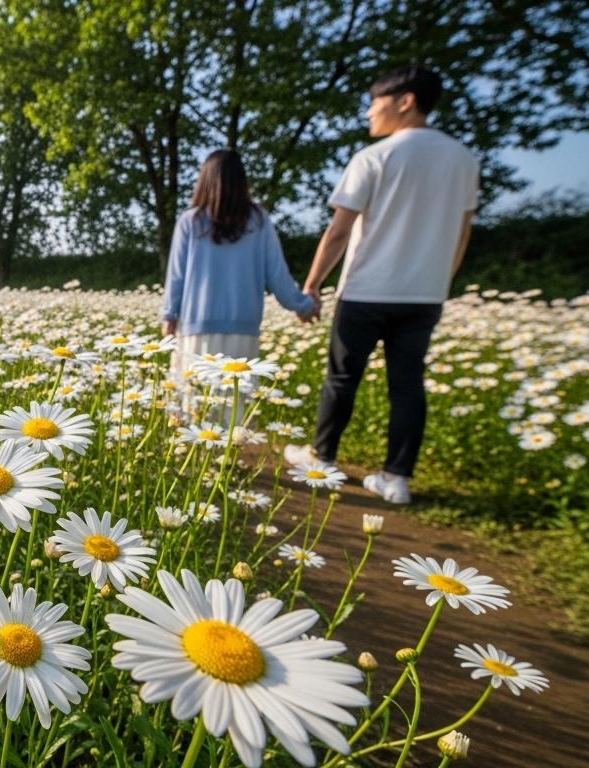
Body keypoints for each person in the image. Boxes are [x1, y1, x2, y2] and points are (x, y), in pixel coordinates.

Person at [285, 65, 479, 504]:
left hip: (366, 290)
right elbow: (463, 233)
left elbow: (338, 231)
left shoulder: (374, 158)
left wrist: (312, 284)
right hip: (425, 294)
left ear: (404, 101)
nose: (369, 113)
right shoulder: (463, 159)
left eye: (375, 103)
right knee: (407, 384)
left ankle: (322, 458)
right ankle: (396, 478)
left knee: (342, 377)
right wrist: (439, 282)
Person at [161, 149, 317, 386]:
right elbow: (278, 276)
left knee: (195, 409)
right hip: (243, 332)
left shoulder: (190, 221)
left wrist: (169, 316)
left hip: (196, 329)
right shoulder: (259, 221)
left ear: (204, 181)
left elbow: (176, 277)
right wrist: (304, 306)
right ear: (242, 182)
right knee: (237, 409)